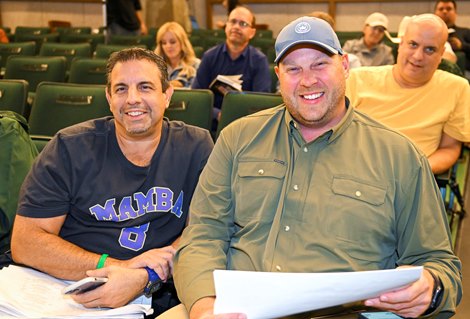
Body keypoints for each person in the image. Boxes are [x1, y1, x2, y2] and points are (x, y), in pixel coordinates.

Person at [174, 16, 462, 319]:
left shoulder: (399, 156)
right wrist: (204, 307)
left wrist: (432, 289)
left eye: (320, 64)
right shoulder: (237, 138)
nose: (307, 80)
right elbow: (203, 233)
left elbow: (439, 263)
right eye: (293, 69)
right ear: (278, 75)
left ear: (346, 67)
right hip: (235, 309)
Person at [10, 48, 214, 317]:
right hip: (67, 288)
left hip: (155, 291)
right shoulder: (69, 147)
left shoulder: (196, 146)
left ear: (167, 94)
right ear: (108, 97)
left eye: (145, 87)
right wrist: (118, 266)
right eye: (120, 89)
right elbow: (26, 242)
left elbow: (205, 231)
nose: (132, 99)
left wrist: (146, 276)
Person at [346, 14, 470, 175]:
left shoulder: (456, 88)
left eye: (430, 49)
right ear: (401, 44)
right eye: (413, 44)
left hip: (411, 181)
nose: (418, 56)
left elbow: (450, 148)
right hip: (354, 174)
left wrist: (415, 171)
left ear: (441, 54)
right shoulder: (356, 80)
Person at [191, 5, 271, 115]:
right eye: (233, 22)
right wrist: (218, 115)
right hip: (212, 124)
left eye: (243, 24)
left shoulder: (259, 60)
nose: (236, 27)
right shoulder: (209, 56)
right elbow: (197, 96)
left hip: (246, 123)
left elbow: (261, 103)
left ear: (252, 32)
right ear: (226, 26)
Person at [155, 22, 200, 88]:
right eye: (164, 43)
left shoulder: (196, 64)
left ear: (182, 43)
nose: (168, 46)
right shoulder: (155, 67)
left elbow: (197, 93)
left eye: (172, 42)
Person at [434, 0, 470, 77]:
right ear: (435, 13)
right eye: (441, 9)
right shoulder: (428, 34)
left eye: (449, 9)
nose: (444, 11)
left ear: (455, 13)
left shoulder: (465, 32)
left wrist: (462, 46)